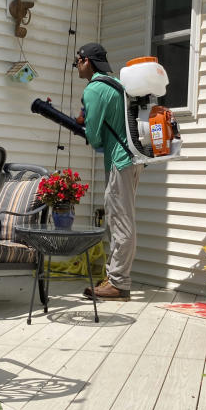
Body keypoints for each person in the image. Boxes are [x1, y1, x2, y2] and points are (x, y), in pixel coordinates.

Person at [74, 42, 142, 301]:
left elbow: (93, 136)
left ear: (87, 61)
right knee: (122, 217)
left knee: (120, 220)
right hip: (131, 159)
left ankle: (118, 283)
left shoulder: (95, 89)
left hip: (120, 160)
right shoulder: (116, 86)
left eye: (77, 61)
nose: (76, 66)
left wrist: (90, 133)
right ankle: (115, 277)